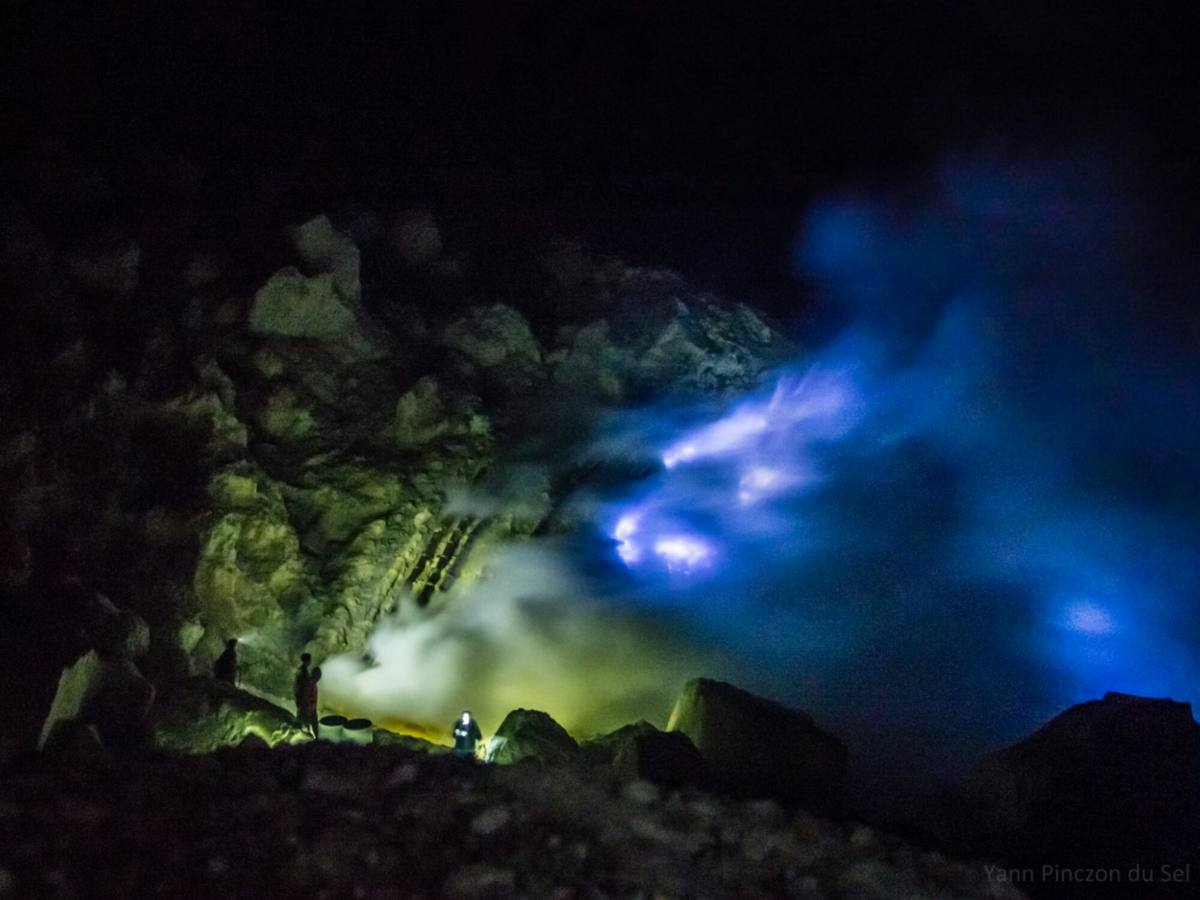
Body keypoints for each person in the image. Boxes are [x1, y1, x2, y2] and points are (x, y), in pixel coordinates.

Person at [298, 666, 321, 738]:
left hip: (310, 709)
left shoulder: (311, 683)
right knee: (308, 726)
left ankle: (315, 737)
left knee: (313, 726)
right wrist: (309, 707)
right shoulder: (310, 684)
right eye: (319, 676)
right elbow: (305, 697)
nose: (319, 678)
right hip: (308, 709)